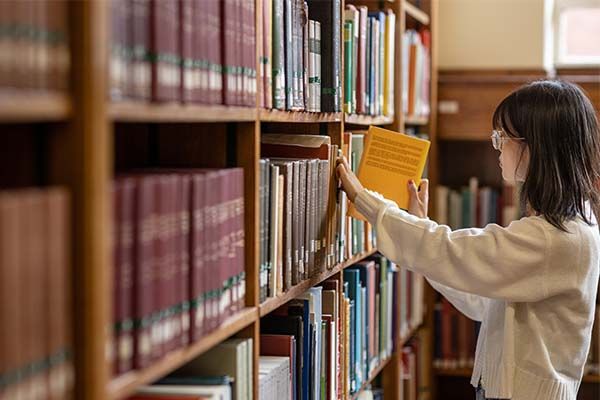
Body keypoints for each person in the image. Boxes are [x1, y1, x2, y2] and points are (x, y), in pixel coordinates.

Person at [336, 80, 600, 400]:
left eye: (503, 137)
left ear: (536, 147)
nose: (497, 146)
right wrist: (418, 227)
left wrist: (366, 200)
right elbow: (479, 293)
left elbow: (454, 252)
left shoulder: (557, 237)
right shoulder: (564, 223)